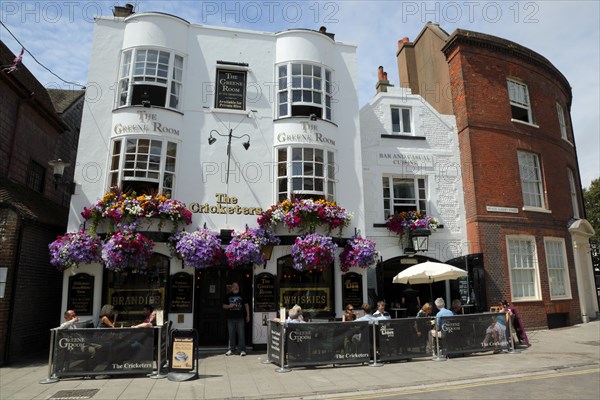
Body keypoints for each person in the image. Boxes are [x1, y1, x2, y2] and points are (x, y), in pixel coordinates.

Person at [222, 282, 250, 356]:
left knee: (241, 334)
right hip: (230, 318)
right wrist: (229, 306)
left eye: (237, 286)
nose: (236, 287)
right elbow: (223, 306)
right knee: (231, 334)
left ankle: (242, 350)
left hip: (240, 317)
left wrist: (248, 315)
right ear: (231, 288)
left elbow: (246, 305)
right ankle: (231, 350)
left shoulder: (242, 295)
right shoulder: (228, 295)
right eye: (234, 286)